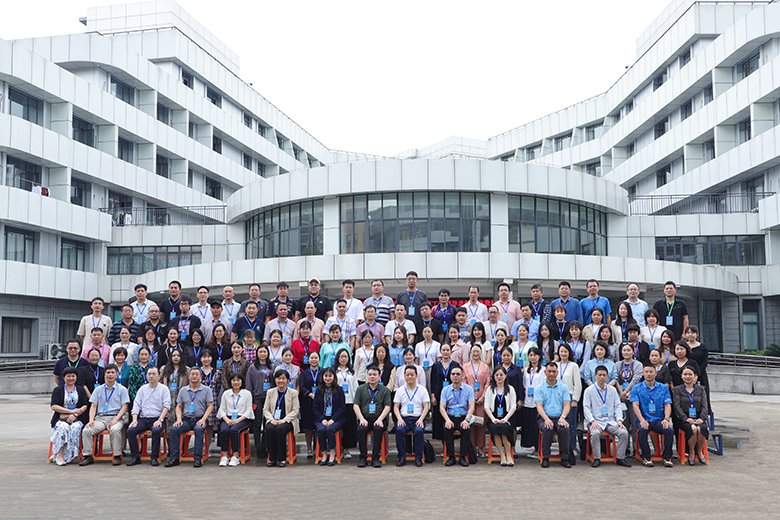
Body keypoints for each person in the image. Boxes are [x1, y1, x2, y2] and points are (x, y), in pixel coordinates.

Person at [79, 363, 130, 466]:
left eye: (112, 372)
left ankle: (117, 456)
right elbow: (93, 406)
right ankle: (88, 456)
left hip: (116, 417)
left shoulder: (122, 389)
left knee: (115, 429)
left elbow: (124, 407)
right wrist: (91, 420)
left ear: (116, 375)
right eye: (108, 372)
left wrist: (116, 419)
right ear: (105, 375)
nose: (110, 375)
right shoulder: (98, 389)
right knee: (87, 430)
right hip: (100, 418)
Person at [582, 365, 632, 467]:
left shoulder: (612, 390)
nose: (602, 377)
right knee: (595, 433)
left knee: (624, 433)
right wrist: (592, 421)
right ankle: (597, 458)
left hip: (610, 421)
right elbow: (586, 408)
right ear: (595, 376)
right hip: (596, 421)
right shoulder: (589, 390)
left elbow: (617, 406)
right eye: (599, 375)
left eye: (604, 375)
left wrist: (619, 420)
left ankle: (620, 458)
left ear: (607, 376)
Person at [165, 368, 214, 467]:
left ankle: (197, 458)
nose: (194, 376)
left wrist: (203, 419)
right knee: (175, 429)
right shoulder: (183, 390)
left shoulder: (206, 390)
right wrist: (179, 419)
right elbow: (179, 406)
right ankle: (174, 458)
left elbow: (210, 406)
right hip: (186, 419)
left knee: (198, 429)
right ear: (189, 376)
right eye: (192, 374)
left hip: (200, 419)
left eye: (197, 374)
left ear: (201, 377)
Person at [631, 363, 675, 467]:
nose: (648, 374)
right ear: (643, 373)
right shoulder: (636, 388)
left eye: (651, 372)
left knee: (669, 430)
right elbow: (635, 405)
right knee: (642, 430)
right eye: (646, 372)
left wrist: (666, 419)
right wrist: (641, 420)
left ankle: (667, 457)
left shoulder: (663, 388)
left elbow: (667, 404)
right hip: (644, 419)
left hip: (659, 420)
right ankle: (646, 457)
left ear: (655, 373)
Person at [126, 366, 170, 466]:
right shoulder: (142, 389)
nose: (151, 376)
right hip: (144, 419)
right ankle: (135, 457)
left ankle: (154, 457)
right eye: (149, 374)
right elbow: (136, 405)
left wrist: (160, 420)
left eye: (154, 374)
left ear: (159, 376)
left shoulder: (164, 389)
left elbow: (167, 406)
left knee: (156, 430)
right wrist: (134, 420)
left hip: (158, 418)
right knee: (130, 430)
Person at [534, 362, 572, 468]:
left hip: (560, 417)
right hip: (544, 417)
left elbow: (567, 405)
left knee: (564, 429)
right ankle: (545, 458)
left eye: (554, 371)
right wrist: (546, 419)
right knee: (547, 428)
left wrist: (563, 417)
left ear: (557, 372)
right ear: (545, 372)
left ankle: (565, 458)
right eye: (549, 371)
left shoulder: (564, 387)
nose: (551, 374)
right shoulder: (540, 388)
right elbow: (539, 407)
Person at [49, 367, 89, 465]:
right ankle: (59, 454)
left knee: (75, 428)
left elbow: (85, 405)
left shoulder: (80, 389)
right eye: (68, 376)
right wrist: (70, 411)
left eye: (73, 376)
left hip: (77, 418)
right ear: (64, 377)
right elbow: (54, 406)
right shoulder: (58, 390)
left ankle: (68, 455)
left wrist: (75, 414)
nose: (71, 378)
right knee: (63, 428)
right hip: (61, 418)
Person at [354, 366, 393, 467]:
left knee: (378, 428)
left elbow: (387, 407)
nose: (372, 377)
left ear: (379, 377)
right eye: (370, 374)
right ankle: (363, 458)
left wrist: (380, 419)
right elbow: (356, 405)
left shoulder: (384, 390)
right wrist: (361, 419)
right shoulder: (361, 389)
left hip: (379, 419)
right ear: (367, 376)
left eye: (374, 375)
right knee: (361, 429)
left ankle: (376, 458)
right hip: (365, 419)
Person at [393, 365, 430, 467]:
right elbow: (396, 406)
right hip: (404, 418)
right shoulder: (400, 390)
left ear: (416, 376)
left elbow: (426, 406)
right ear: (404, 376)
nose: (410, 377)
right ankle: (401, 457)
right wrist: (399, 419)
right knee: (399, 430)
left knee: (419, 431)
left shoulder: (422, 390)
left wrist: (421, 419)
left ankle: (418, 458)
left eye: (412, 375)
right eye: (407, 375)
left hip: (418, 418)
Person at [672, 366, 710, 465]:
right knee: (693, 428)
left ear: (695, 376)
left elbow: (705, 406)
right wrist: (685, 418)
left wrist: (702, 418)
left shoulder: (701, 389)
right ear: (681, 376)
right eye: (685, 374)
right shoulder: (677, 390)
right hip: (683, 418)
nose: (687, 376)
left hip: (698, 416)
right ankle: (691, 451)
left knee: (700, 428)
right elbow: (677, 407)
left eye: (690, 374)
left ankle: (699, 451)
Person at [262, 370, 300, 467]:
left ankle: (282, 458)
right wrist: (271, 420)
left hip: (288, 420)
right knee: (270, 428)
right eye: (279, 378)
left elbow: (295, 410)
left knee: (280, 429)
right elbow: (265, 409)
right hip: (273, 419)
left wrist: (284, 420)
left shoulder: (293, 392)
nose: (281, 381)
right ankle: (272, 458)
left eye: (283, 378)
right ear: (275, 380)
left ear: (287, 380)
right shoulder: (270, 392)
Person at [216, 373, 254, 467]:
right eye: (234, 380)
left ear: (242, 381)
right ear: (230, 382)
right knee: (224, 430)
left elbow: (249, 410)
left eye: (238, 380)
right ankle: (224, 456)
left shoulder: (247, 393)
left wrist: (237, 420)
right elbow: (222, 409)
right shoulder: (226, 393)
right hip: (228, 418)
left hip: (242, 419)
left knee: (234, 430)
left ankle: (235, 455)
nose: (236, 382)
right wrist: (227, 420)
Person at [439, 365, 474, 467]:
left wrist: (467, 420)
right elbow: (442, 408)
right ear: (450, 376)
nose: (455, 376)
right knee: (447, 429)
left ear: (462, 376)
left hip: (464, 417)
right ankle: (451, 457)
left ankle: (463, 456)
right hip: (450, 417)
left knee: (466, 429)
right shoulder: (445, 390)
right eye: (453, 374)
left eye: (458, 374)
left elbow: (472, 406)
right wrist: (447, 420)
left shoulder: (469, 389)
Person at [484, 365, 517, 466]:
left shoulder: (511, 389)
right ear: (493, 376)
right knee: (495, 428)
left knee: (504, 428)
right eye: (496, 375)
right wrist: (493, 419)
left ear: (506, 376)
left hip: (507, 417)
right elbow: (486, 406)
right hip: (493, 418)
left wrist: (505, 419)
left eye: (501, 375)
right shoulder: (489, 389)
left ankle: (508, 455)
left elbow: (513, 407)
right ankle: (502, 455)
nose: (499, 377)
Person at [245, 344, 273, 458]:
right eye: (260, 352)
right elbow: (249, 385)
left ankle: (265, 445)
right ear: (257, 353)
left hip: (269, 398)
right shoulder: (252, 368)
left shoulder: (272, 367)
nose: (262, 354)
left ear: (267, 353)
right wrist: (250, 400)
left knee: (268, 423)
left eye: (264, 352)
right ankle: (258, 448)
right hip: (257, 398)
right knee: (257, 423)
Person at [313, 367, 345, 466]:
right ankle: (324, 454)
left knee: (330, 430)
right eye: (325, 376)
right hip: (321, 419)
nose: (328, 378)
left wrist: (333, 419)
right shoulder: (318, 390)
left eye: (330, 376)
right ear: (322, 377)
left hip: (336, 419)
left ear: (334, 377)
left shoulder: (339, 390)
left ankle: (332, 454)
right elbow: (315, 408)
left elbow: (342, 407)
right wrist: (322, 419)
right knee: (321, 430)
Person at [462, 343, 490, 456]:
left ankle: (481, 447)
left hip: (481, 399)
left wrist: (483, 397)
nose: (475, 353)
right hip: (469, 400)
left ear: (481, 353)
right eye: (473, 351)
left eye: (478, 351)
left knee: (481, 423)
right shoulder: (465, 367)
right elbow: (464, 382)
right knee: (471, 422)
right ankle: (472, 446)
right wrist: (470, 398)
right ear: (470, 353)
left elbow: (487, 383)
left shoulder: (485, 367)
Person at [430, 342, 461, 441]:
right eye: (443, 350)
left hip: (452, 393)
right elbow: (433, 381)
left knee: (450, 415)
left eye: (447, 350)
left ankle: (451, 440)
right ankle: (443, 442)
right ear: (440, 351)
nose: (445, 352)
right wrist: (433, 395)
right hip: (439, 393)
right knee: (439, 417)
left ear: (451, 351)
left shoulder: (455, 364)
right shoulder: (436, 365)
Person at [557, 343, 582, 462]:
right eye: (561, 351)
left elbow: (577, 384)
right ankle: (562, 449)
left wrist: (575, 399)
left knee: (571, 425)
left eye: (565, 351)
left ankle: (571, 448)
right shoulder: (556, 365)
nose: (563, 354)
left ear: (569, 353)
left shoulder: (574, 366)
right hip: (557, 399)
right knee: (560, 425)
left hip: (570, 397)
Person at [617, 343, 644, 450]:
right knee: (624, 424)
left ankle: (637, 449)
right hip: (621, 397)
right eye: (624, 350)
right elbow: (615, 379)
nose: (626, 352)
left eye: (628, 350)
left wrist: (626, 391)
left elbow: (636, 379)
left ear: (633, 352)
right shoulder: (617, 364)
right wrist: (621, 393)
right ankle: (625, 449)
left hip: (634, 397)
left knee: (635, 423)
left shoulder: (638, 364)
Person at [520, 347, 544, 457]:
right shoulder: (526, 370)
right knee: (529, 425)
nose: (533, 357)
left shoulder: (543, 370)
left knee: (537, 426)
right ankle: (534, 448)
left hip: (538, 402)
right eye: (530, 355)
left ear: (539, 356)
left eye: (535, 355)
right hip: (527, 401)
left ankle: (539, 448)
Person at [333, 348, 358, 457]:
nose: (343, 359)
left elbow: (355, 387)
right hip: (337, 403)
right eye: (341, 356)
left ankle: (346, 449)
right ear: (338, 358)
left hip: (350, 401)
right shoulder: (334, 371)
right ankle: (336, 447)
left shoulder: (351, 372)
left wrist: (356, 402)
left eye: (346, 356)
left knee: (348, 426)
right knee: (338, 426)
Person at [161, 349, 189, 436]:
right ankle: (170, 444)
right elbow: (160, 383)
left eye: (178, 355)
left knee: (180, 422)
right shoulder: (164, 369)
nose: (176, 357)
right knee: (169, 424)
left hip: (181, 399)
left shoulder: (187, 370)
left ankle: (182, 444)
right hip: (168, 398)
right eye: (173, 355)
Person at [298, 350, 321, 458]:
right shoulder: (304, 373)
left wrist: (319, 395)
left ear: (319, 359)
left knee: (318, 425)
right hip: (307, 402)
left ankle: (318, 448)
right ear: (308, 360)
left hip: (320, 402)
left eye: (316, 358)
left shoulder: (323, 372)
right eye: (312, 358)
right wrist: (310, 394)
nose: (314, 360)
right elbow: (301, 386)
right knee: (308, 426)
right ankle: (309, 448)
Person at [199, 349, 222, 452]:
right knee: (199, 424)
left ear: (212, 358)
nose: (206, 359)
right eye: (204, 357)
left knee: (210, 426)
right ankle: (199, 448)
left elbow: (218, 388)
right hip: (199, 401)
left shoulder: (217, 372)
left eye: (208, 357)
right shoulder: (197, 372)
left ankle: (207, 449)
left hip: (213, 401)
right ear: (200, 359)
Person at [685, 325, 711, 410]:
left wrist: (696, 374)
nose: (690, 335)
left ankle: (705, 413)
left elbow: (705, 362)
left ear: (697, 334)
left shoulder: (703, 347)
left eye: (692, 333)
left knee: (703, 394)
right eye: (688, 333)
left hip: (700, 375)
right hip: (686, 375)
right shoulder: (684, 346)